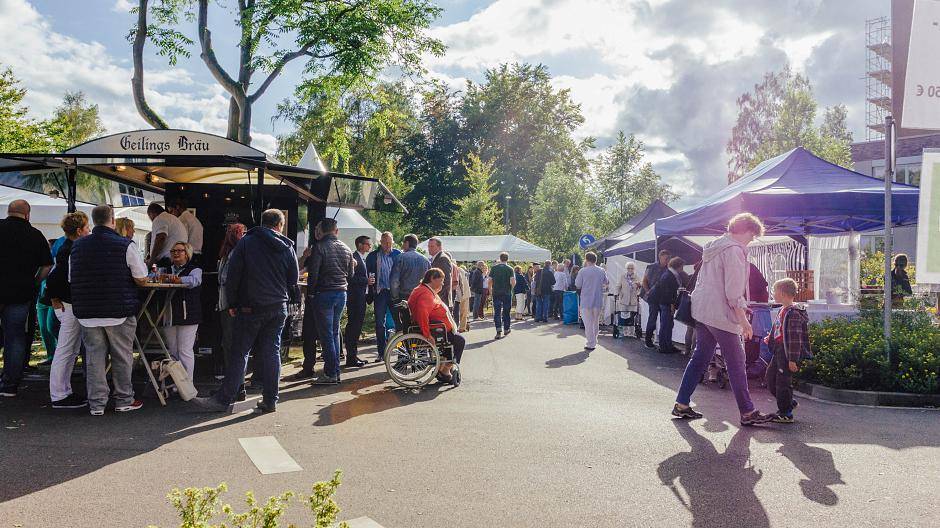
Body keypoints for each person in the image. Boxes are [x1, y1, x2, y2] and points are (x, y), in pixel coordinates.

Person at [191, 209, 299, 414]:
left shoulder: (246, 243)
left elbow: (233, 275)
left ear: (263, 222)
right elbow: (292, 280)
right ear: (280, 225)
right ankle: (270, 399)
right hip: (278, 306)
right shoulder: (287, 246)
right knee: (271, 352)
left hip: (250, 307)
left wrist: (231, 303)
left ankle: (223, 399)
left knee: (239, 352)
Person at [672, 213, 775, 426]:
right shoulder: (735, 251)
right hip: (721, 314)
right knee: (736, 363)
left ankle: (682, 403)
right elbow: (733, 293)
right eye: (753, 236)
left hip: (703, 310)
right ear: (747, 231)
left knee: (700, 357)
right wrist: (744, 322)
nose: (752, 240)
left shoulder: (713, 245)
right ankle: (747, 411)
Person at [70, 205, 149, 415]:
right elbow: (141, 278)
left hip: (87, 313)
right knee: (121, 357)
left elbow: (72, 279)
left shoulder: (77, 247)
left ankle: (96, 404)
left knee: (94, 360)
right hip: (118, 311)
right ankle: (124, 399)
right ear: (112, 220)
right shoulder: (125, 245)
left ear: (94, 221)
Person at [0, 200, 54, 397]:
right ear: (27, 214)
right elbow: (47, 265)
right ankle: (9, 385)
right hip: (20, 293)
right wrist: (34, 282)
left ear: (8, 211)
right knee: (15, 338)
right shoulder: (34, 235)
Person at [45, 212, 91, 408]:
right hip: (68, 305)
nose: (89, 231)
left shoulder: (67, 247)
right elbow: (54, 278)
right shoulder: (70, 250)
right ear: (79, 230)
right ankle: (59, 394)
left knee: (69, 349)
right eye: (87, 228)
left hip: (66, 304)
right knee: (66, 349)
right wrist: (55, 299)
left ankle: (63, 391)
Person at [305, 218, 355, 385]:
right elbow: (351, 274)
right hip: (341, 293)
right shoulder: (347, 248)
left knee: (326, 335)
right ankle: (335, 372)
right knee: (333, 332)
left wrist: (311, 294)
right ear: (336, 230)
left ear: (322, 231)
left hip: (324, 293)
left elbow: (314, 274)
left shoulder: (319, 247)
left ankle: (330, 373)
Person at [764, 278, 810, 424]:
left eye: (774, 291)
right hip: (779, 350)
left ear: (783, 293)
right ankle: (788, 402)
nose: (773, 294)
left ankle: (785, 413)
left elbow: (795, 339)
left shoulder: (794, 313)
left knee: (782, 383)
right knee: (770, 379)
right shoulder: (783, 310)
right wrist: (770, 339)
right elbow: (778, 330)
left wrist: (792, 359)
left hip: (786, 353)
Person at [407, 268, 465, 381]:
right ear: (433, 279)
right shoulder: (425, 294)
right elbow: (422, 314)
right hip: (436, 329)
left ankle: (443, 367)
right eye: (441, 280)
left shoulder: (423, 290)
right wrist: (427, 335)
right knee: (459, 341)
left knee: (454, 339)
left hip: (439, 327)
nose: (443, 283)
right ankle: (445, 369)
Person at [160, 242, 202, 381]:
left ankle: (187, 385)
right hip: (169, 314)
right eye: (173, 251)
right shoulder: (165, 269)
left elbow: (194, 281)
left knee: (185, 350)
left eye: (180, 250)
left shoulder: (195, 269)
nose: (176, 253)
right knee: (172, 351)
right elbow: (152, 276)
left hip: (188, 314)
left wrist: (178, 279)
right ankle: (175, 383)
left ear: (187, 254)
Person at [217, 222, 247, 382]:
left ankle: (233, 379)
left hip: (226, 303)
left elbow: (224, 279)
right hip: (232, 305)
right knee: (235, 343)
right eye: (243, 233)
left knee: (230, 342)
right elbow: (229, 280)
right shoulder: (237, 253)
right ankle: (236, 380)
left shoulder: (226, 253)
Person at [365, 232, 401, 362]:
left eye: (389, 242)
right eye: (385, 242)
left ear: (393, 242)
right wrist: (368, 281)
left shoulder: (398, 255)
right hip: (380, 293)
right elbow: (366, 272)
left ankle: (400, 353)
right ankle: (381, 352)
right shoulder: (373, 256)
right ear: (380, 242)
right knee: (380, 324)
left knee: (399, 323)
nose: (387, 245)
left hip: (394, 293)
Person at [647, 257, 686, 354]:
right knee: (666, 324)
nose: (682, 269)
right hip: (665, 303)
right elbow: (667, 292)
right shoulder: (669, 275)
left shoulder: (670, 274)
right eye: (682, 266)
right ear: (678, 266)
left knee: (668, 324)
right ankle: (664, 346)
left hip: (663, 302)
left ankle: (667, 345)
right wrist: (672, 304)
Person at [344, 235, 372, 368]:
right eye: (367, 244)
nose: (369, 246)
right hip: (355, 297)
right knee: (354, 327)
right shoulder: (354, 258)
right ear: (360, 245)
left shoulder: (361, 258)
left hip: (360, 296)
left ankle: (353, 355)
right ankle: (351, 357)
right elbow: (350, 278)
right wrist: (366, 280)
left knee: (356, 327)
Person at [575, 252, 608, 350]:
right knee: (595, 321)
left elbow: (578, 284)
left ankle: (590, 343)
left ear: (586, 259)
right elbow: (606, 282)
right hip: (598, 299)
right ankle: (594, 340)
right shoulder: (601, 270)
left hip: (586, 299)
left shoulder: (582, 271)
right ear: (596, 260)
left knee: (588, 322)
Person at [642, 249, 671, 349]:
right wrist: (647, 291)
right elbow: (644, 280)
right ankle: (648, 340)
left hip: (664, 299)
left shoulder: (669, 269)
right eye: (666, 258)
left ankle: (665, 343)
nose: (667, 260)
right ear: (660, 257)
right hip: (653, 297)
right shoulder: (651, 267)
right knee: (652, 319)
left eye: (668, 258)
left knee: (665, 321)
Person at [146, 202, 188, 268]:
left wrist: (151, 261)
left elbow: (161, 238)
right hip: (178, 259)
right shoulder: (173, 219)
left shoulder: (159, 218)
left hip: (167, 261)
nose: (151, 220)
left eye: (149, 216)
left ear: (152, 213)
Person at [390, 234, 430, 302]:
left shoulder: (400, 258)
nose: (402, 246)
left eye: (403, 243)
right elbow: (429, 280)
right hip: (420, 296)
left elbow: (394, 280)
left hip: (404, 296)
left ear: (407, 243)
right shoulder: (426, 260)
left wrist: (395, 297)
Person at [168, 198, 204, 264]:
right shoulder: (194, 219)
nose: (172, 215)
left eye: (172, 211)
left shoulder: (182, 219)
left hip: (187, 256)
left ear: (177, 207)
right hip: (197, 255)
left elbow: (181, 240)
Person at [489, 252, 515, 339]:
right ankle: (507, 328)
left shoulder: (494, 268)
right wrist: (511, 288)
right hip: (506, 292)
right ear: (507, 259)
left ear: (500, 258)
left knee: (497, 312)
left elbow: (489, 281)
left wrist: (490, 290)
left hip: (496, 292)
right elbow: (513, 282)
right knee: (506, 311)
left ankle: (498, 330)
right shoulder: (510, 269)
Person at [615, 263, 641, 338]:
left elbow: (640, 287)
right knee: (623, 316)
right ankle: (624, 332)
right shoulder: (622, 276)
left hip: (633, 300)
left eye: (632, 268)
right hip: (624, 300)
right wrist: (617, 294)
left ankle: (631, 333)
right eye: (629, 268)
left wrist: (639, 286)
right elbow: (618, 286)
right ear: (626, 269)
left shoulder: (636, 277)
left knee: (632, 317)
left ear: (634, 269)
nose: (630, 270)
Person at [427, 237, 455, 306]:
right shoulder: (436, 258)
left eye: (432, 246)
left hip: (441, 299)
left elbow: (445, 281)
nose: (429, 248)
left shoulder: (442, 259)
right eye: (428, 246)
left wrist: (436, 297)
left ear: (439, 247)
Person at [455, 264, 472, 332]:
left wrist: (461, 293)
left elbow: (461, 283)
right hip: (464, 293)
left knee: (463, 311)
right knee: (464, 311)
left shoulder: (458, 270)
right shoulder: (460, 270)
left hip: (462, 293)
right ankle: (465, 324)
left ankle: (462, 327)